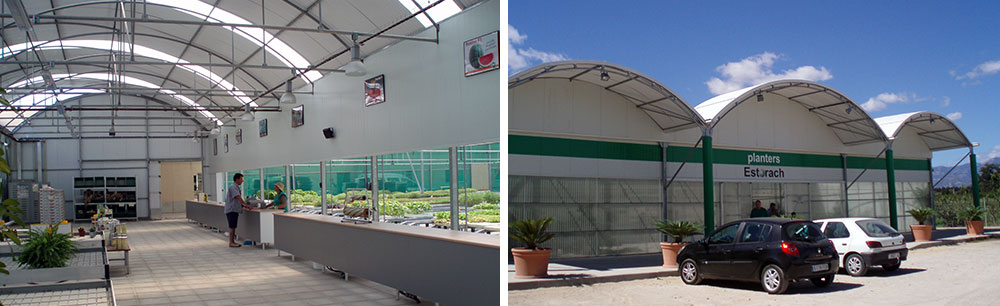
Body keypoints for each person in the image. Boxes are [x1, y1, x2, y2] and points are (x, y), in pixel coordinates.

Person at [225, 173, 252, 248]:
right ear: (237, 179)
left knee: (233, 226)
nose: (242, 181)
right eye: (241, 179)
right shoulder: (233, 187)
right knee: (232, 226)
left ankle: (232, 241)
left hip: (234, 209)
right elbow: (238, 197)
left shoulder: (235, 187)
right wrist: (245, 204)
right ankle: (231, 242)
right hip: (232, 210)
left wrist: (243, 205)